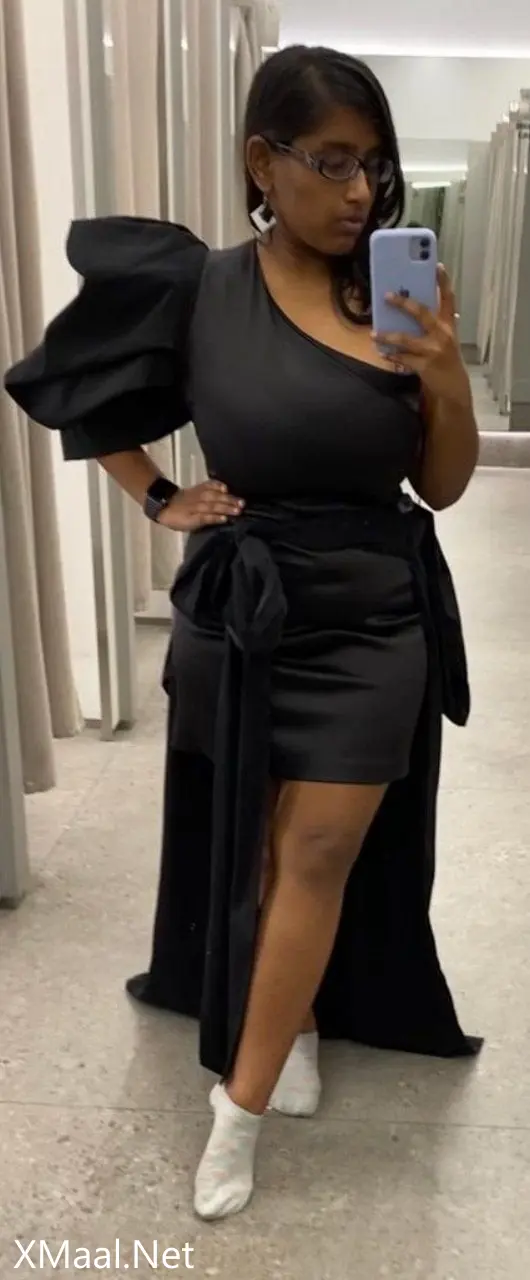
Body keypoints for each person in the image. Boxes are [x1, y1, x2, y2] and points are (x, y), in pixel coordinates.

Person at [5, 46, 481, 1222]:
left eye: (373, 166)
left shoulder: (395, 293)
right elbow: (79, 396)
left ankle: (240, 1103)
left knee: (317, 848)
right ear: (261, 161)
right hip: (245, 605)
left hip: (374, 613)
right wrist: (160, 497)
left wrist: (443, 376)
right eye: (332, 162)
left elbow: (441, 484)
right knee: (258, 849)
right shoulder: (199, 287)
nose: (359, 192)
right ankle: (295, 1014)